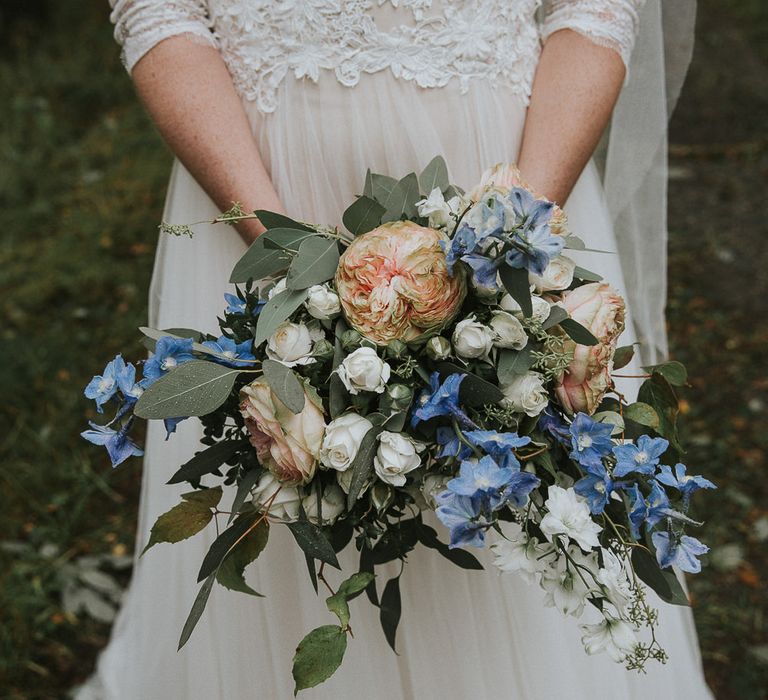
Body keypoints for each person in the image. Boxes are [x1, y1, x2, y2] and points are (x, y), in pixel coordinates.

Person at [78, 1, 712, 698]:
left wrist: (509, 240)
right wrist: (286, 256)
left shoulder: (512, 224)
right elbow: (159, 13)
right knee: (299, 480)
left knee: (513, 471)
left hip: (508, 180)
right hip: (265, 189)